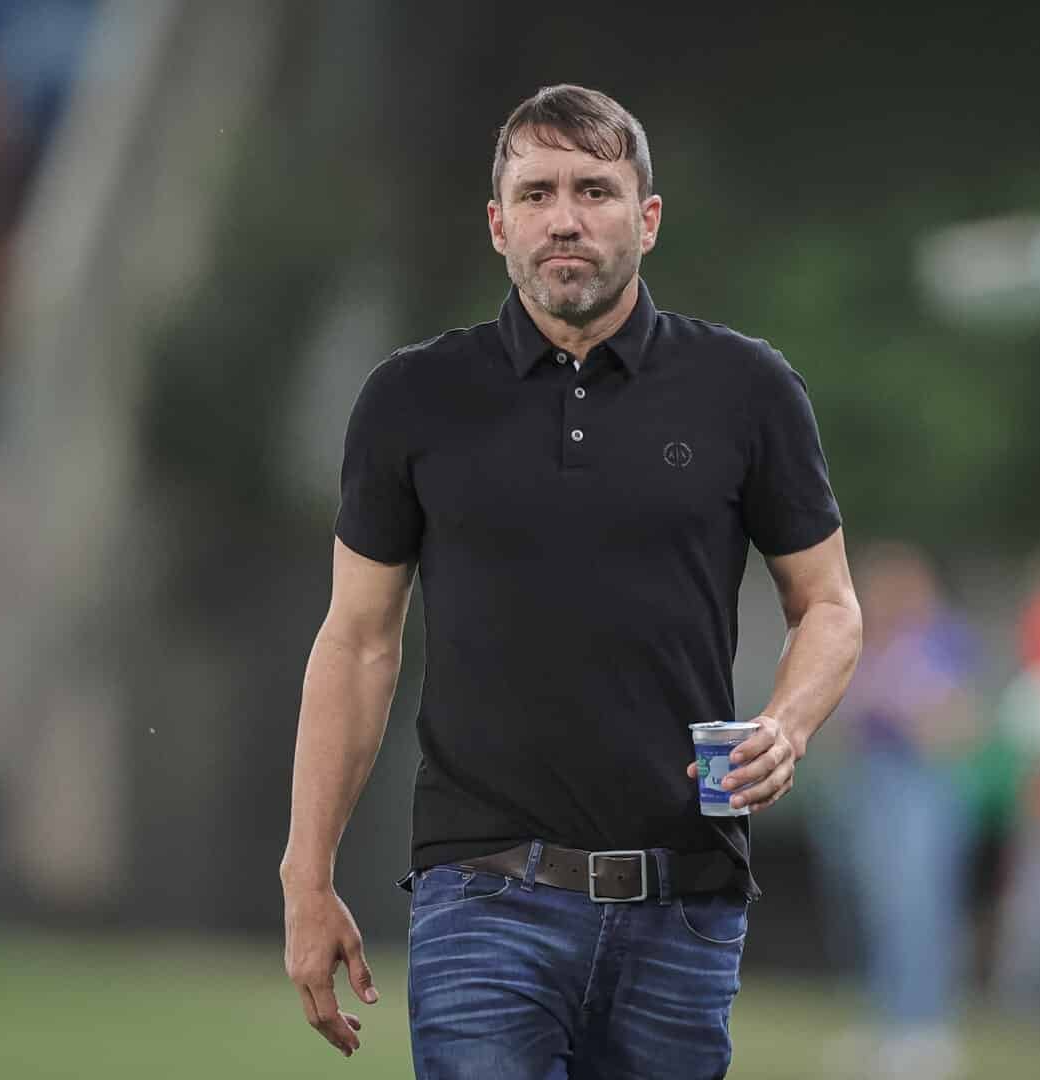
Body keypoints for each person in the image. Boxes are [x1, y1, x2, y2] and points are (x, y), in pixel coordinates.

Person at [277, 84, 862, 1079]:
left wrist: (789, 723)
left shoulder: (747, 389)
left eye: (594, 189)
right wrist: (306, 871)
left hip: (685, 900)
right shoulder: (414, 397)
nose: (565, 217)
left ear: (647, 218)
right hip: (484, 898)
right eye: (538, 191)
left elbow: (831, 605)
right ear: (500, 224)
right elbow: (360, 640)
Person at [836, 543, 980, 1078]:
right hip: (875, 780)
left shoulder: (941, 640)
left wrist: (907, 709)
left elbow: (953, 725)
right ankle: (887, 1019)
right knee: (879, 906)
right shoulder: (870, 639)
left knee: (920, 908)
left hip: (923, 785)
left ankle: (927, 1026)